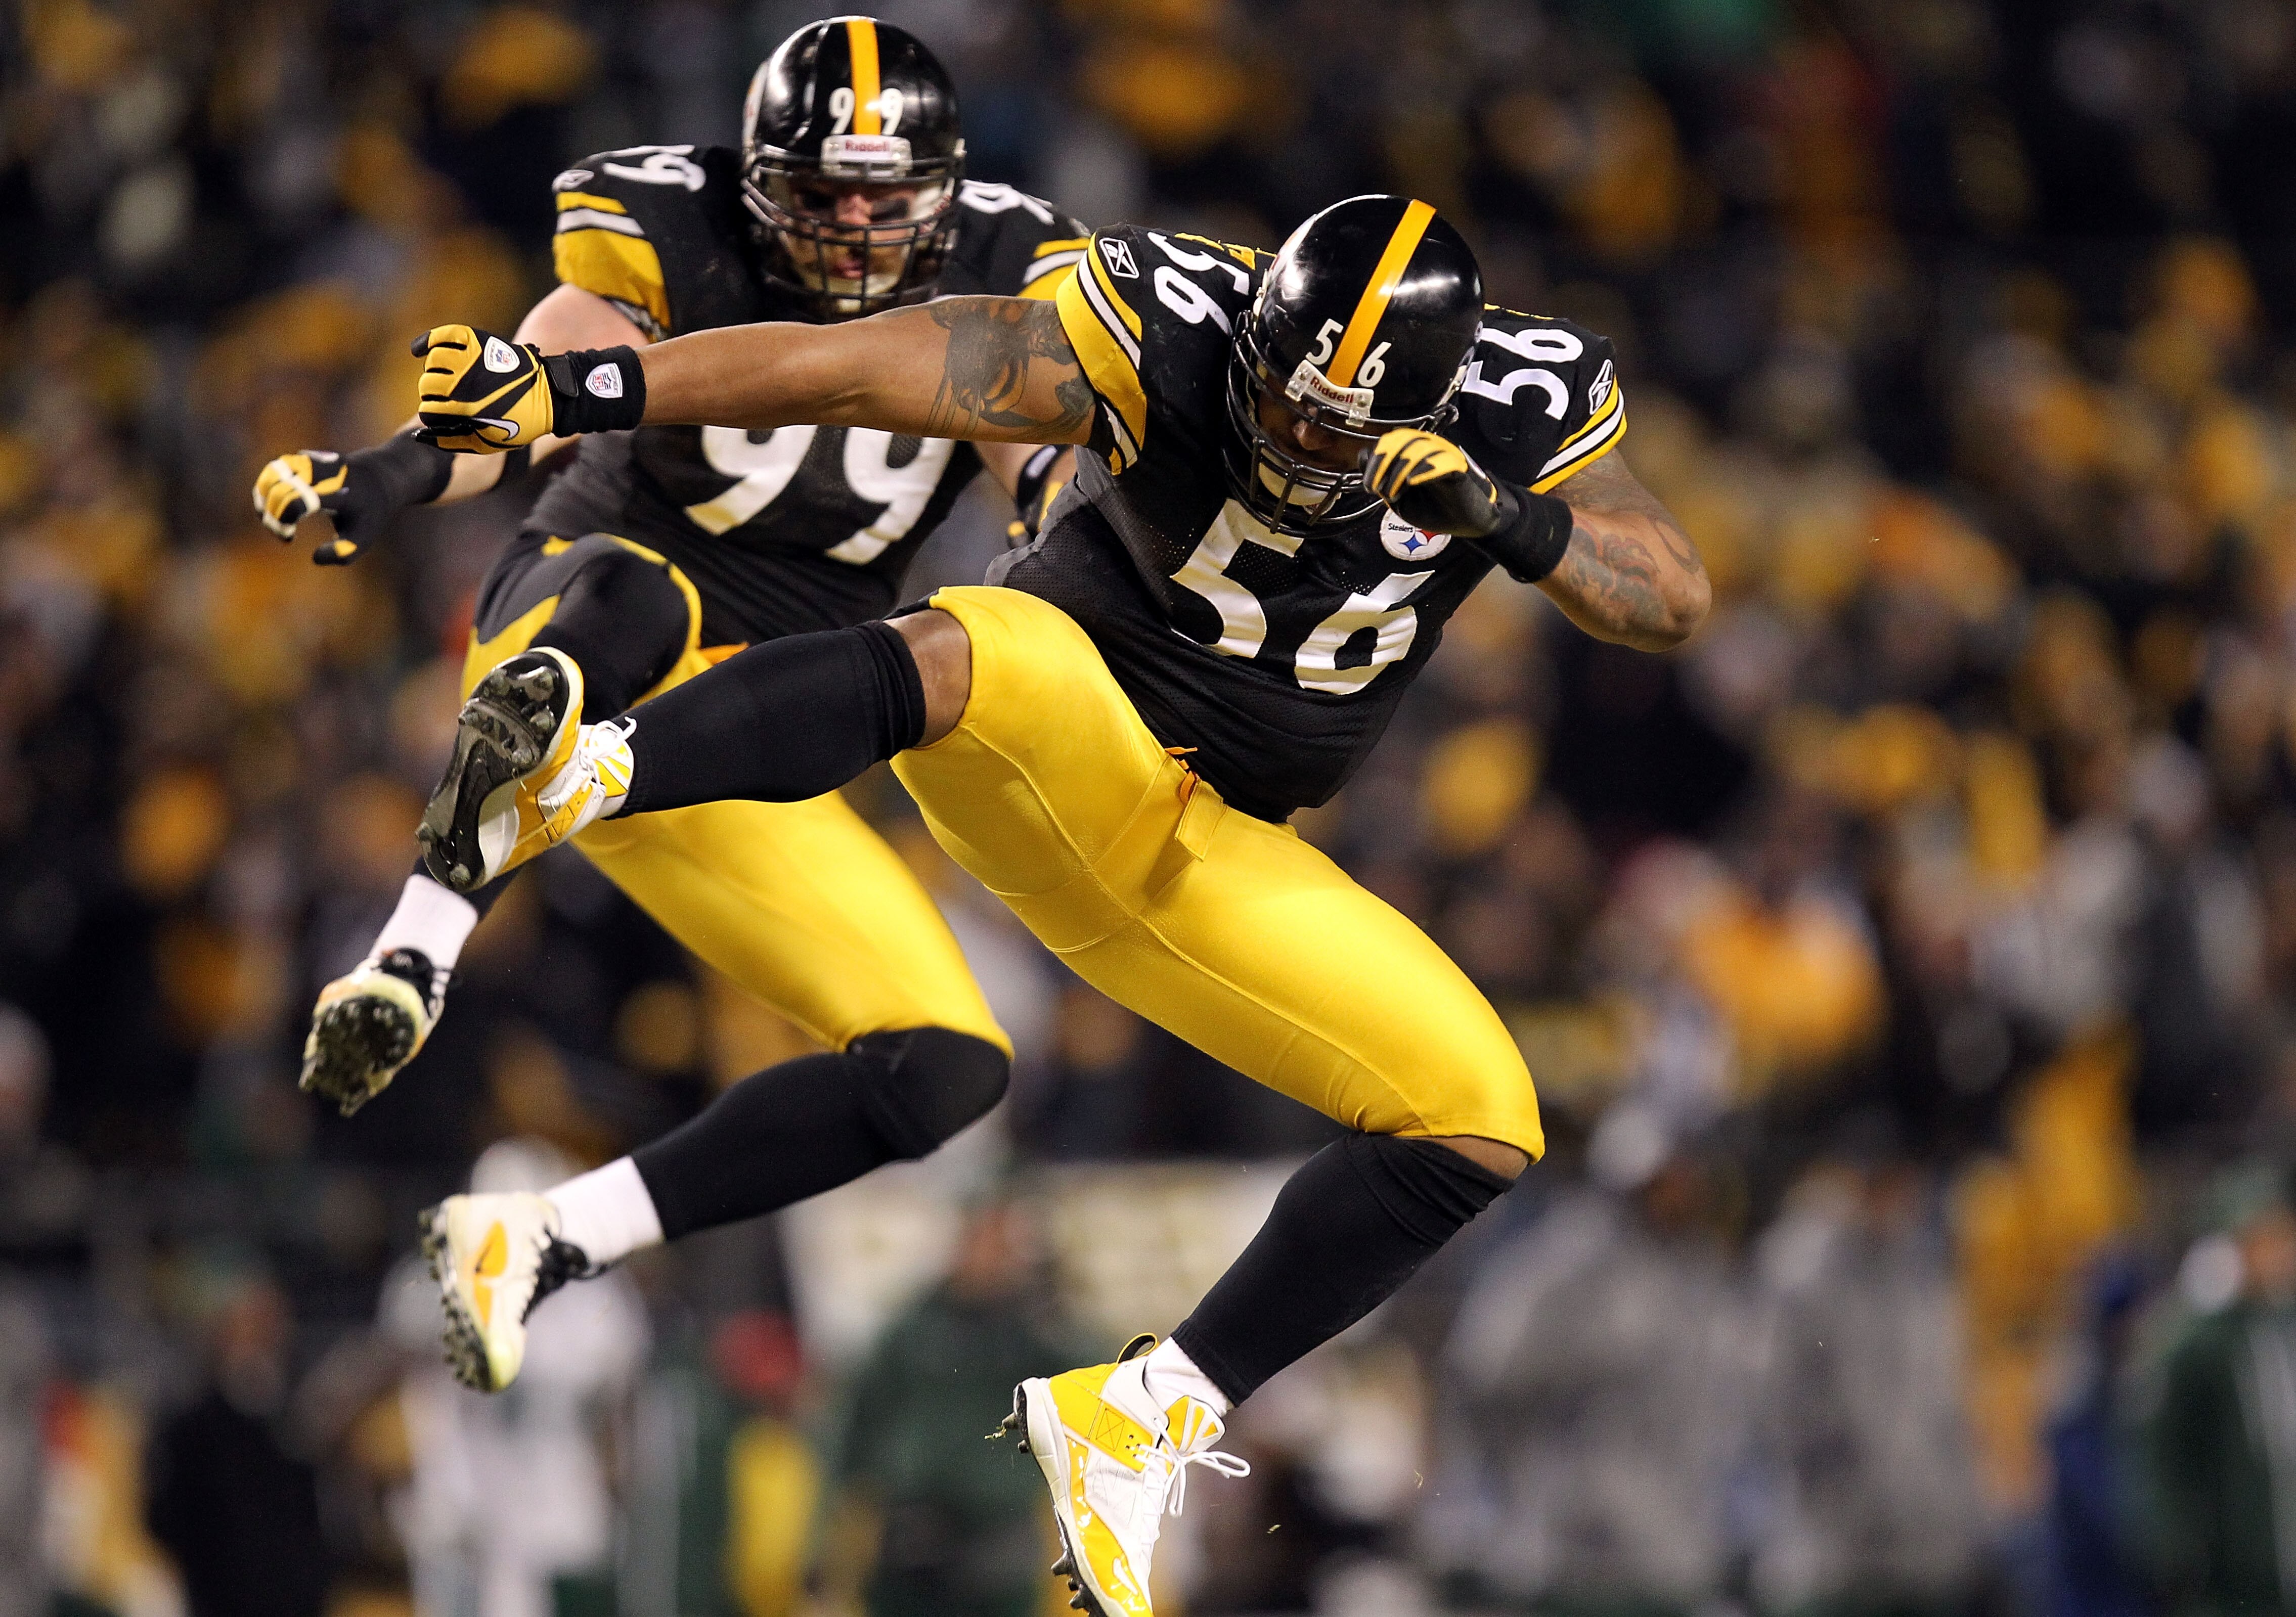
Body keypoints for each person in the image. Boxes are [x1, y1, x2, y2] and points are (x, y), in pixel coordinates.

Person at [400, 191, 1708, 1617]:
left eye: (1338, 427)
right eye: (1281, 393)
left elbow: (1667, 595)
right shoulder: (1172, 321)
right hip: (1065, 741)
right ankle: (583, 772)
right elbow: (857, 369)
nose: (1291, 434)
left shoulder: (1524, 400)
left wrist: (1511, 521)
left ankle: (1145, 1410)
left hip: (1217, 853)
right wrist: (581, 386)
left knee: (1478, 1112)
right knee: (989, 647)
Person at [250, 18, 1085, 1144]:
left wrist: (1079, 556)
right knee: (640, 596)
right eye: (822, 192)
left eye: (885, 196)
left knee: (945, 1059)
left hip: (736, 730)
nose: (854, 225)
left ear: (946, 191)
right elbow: (526, 394)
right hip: (576, 618)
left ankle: (556, 1230)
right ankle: (414, 951)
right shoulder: (679, 229)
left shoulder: (1005, 271)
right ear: (759, 183)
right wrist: (393, 472)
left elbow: (1050, 478)